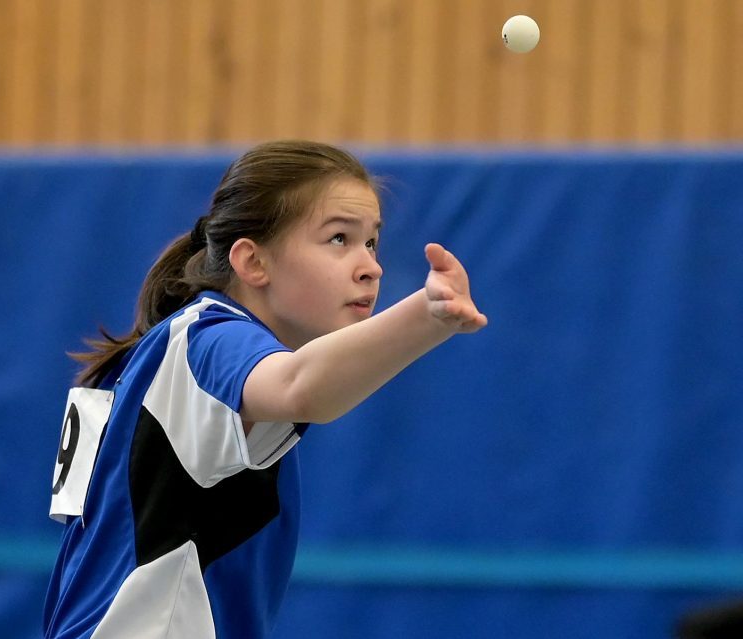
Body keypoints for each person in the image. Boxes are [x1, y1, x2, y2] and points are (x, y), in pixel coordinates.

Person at [42, 140, 488, 639]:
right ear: (253, 263)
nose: (371, 266)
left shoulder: (162, 353)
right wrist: (427, 315)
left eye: (371, 243)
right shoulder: (211, 340)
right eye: (339, 239)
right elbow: (301, 388)